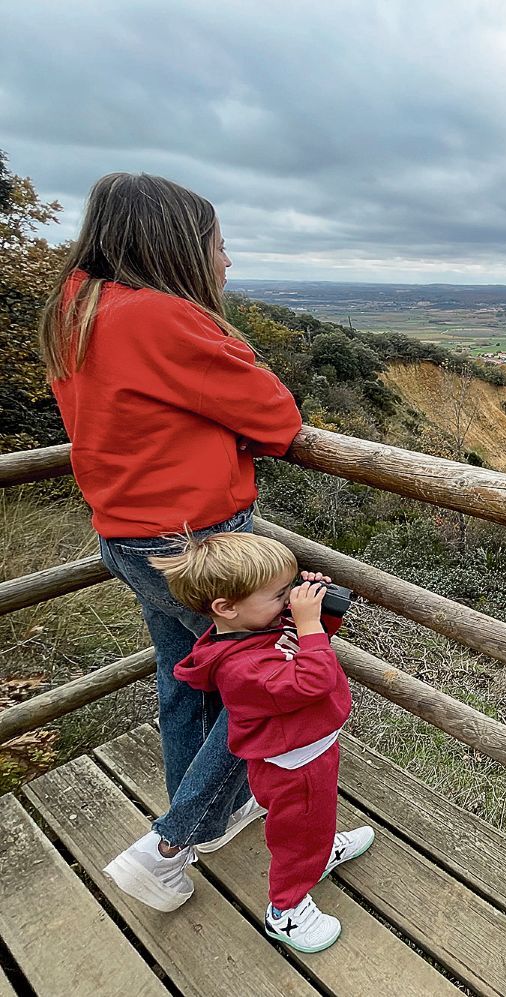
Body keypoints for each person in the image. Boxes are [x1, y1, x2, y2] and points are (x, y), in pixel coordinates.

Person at [37, 173, 304, 909]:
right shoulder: (161, 319)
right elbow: (277, 419)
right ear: (176, 247)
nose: (226, 264)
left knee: (185, 674)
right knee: (271, 680)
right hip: (200, 542)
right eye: (218, 247)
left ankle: (214, 816)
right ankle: (167, 846)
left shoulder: (76, 309)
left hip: (126, 536)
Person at [151, 532, 372, 952]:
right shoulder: (241, 668)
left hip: (312, 748)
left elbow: (304, 645)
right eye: (278, 595)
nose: (288, 601)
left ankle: (318, 851)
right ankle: (285, 910)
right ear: (226, 607)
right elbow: (313, 679)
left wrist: (316, 616)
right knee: (295, 832)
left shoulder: (257, 626)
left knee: (315, 819)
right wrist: (306, 624)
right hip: (291, 766)